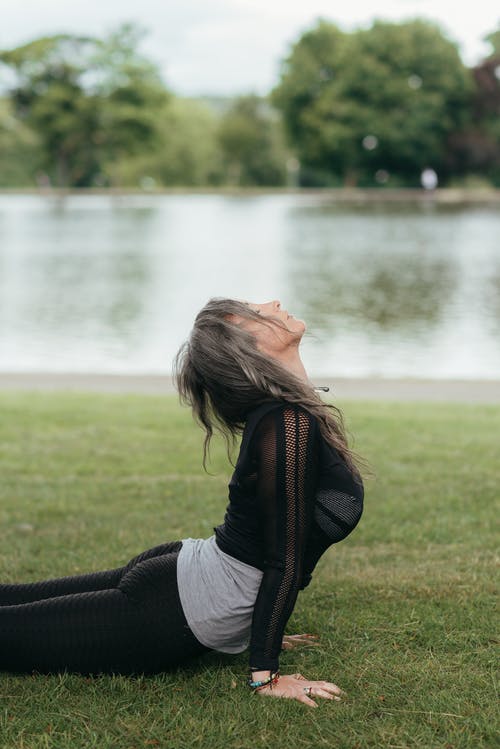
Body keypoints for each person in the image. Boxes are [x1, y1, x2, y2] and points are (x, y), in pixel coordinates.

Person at [0, 298, 363, 708]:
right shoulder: (286, 422)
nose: (272, 304)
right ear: (247, 344)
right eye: (253, 310)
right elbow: (285, 558)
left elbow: (285, 552)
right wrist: (266, 673)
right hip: (172, 606)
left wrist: (256, 628)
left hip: (185, 580)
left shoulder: (290, 414)